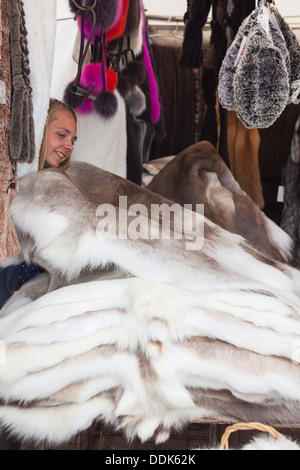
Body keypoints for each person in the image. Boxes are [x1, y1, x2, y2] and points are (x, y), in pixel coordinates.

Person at [0, 98, 78, 310]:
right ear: (38, 128)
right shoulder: (8, 176)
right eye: (61, 135)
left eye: (73, 140)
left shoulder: (61, 185)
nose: (69, 145)